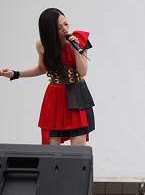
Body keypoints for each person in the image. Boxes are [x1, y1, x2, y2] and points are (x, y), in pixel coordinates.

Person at [0, 8, 94, 145]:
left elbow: (83, 72)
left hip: (77, 94)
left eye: (66, 24)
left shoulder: (79, 39)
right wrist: (16, 74)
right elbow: (41, 68)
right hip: (55, 95)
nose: (65, 30)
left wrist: (75, 50)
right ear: (49, 31)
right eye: (59, 27)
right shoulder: (42, 44)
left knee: (77, 149)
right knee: (51, 147)